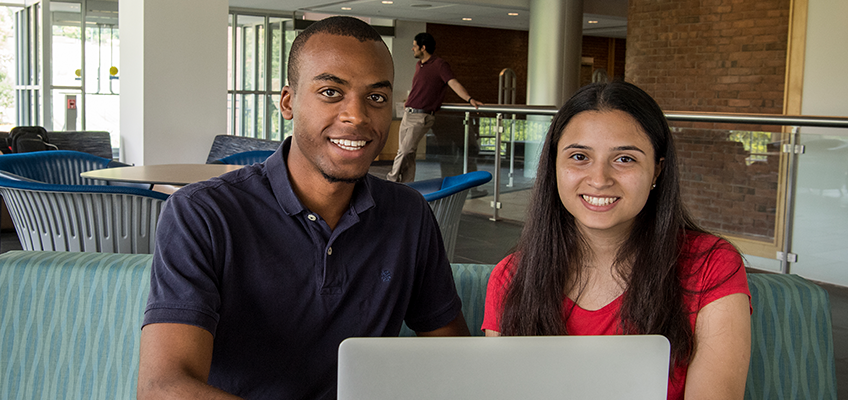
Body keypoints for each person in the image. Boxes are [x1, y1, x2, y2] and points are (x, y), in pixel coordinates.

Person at [137, 16, 469, 400]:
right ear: (288, 102)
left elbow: (451, 357)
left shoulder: (408, 215)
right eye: (331, 92)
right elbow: (163, 387)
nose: (357, 116)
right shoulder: (202, 214)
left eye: (376, 97)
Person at [482, 81, 751, 400]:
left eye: (625, 159)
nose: (599, 179)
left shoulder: (711, 265)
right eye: (579, 156)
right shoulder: (512, 278)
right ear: (554, 166)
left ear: (657, 171)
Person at [387, 32, 484, 183]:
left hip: (422, 116)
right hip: (408, 114)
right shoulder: (419, 65)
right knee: (408, 153)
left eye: (414, 46)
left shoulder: (440, 65)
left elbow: (453, 83)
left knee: (405, 151)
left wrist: (469, 98)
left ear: (423, 48)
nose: (412, 49)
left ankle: (390, 181)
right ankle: (407, 185)